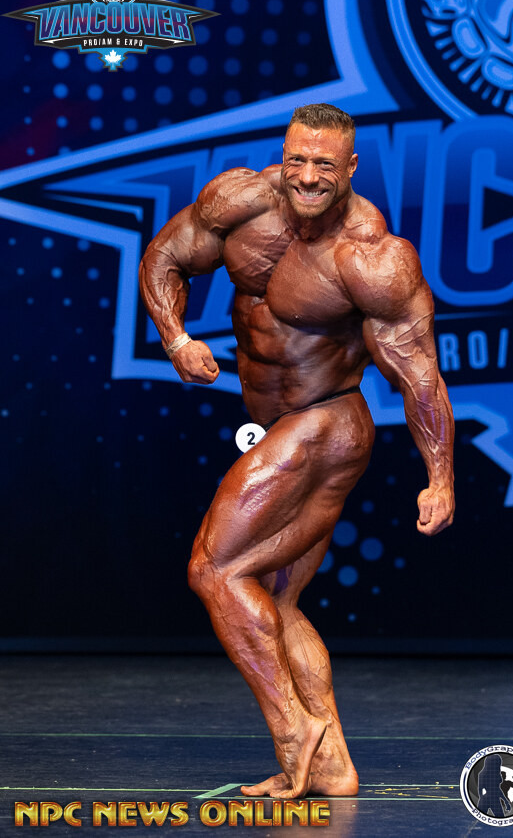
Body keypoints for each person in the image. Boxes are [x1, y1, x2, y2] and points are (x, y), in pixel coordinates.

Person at [139, 103, 455, 799]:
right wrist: (177, 337)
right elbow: (164, 256)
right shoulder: (239, 203)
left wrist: (440, 477)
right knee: (277, 601)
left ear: (352, 167)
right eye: (298, 160)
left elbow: (420, 376)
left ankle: (294, 731)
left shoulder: (371, 257)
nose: (308, 177)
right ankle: (333, 766)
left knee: (214, 571)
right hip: (275, 423)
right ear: (282, 156)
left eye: (324, 165)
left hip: (326, 424)